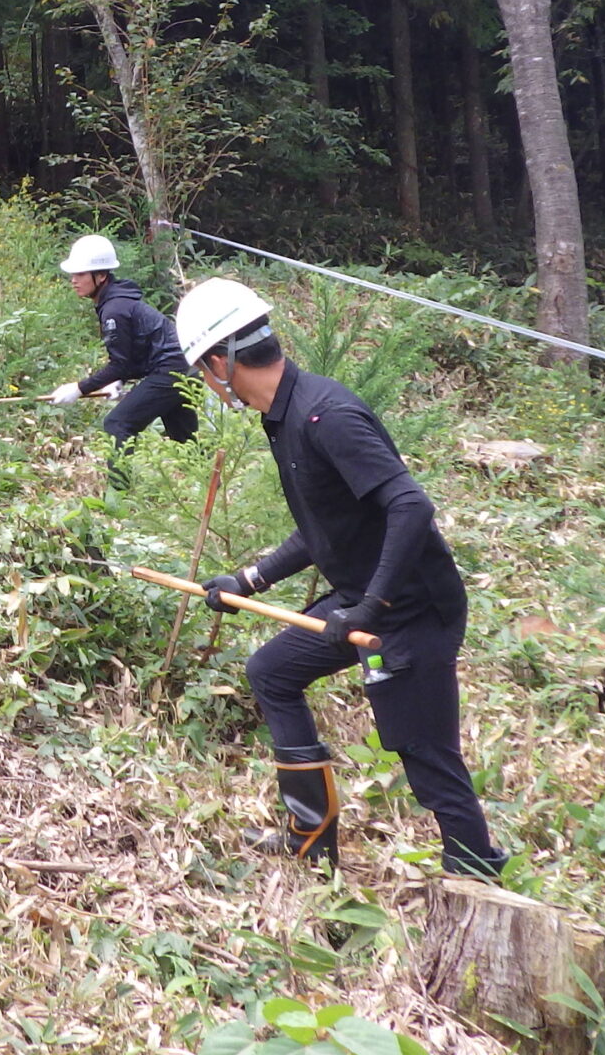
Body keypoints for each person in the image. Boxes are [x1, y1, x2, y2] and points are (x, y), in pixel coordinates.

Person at [178, 276, 507, 880]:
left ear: (221, 362)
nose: (206, 381)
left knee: (423, 749)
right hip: (364, 599)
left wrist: (371, 607)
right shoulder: (282, 416)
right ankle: (312, 838)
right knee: (272, 671)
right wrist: (250, 579)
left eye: (202, 369)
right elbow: (324, 527)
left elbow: (411, 506)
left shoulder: (326, 414)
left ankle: (475, 869)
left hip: (410, 609)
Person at [46, 235, 197, 457]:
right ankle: (209, 488)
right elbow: (133, 354)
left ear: (101, 276)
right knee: (185, 441)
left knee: (117, 424)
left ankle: (120, 492)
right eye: (73, 274)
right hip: (184, 367)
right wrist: (119, 380)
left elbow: (120, 364)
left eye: (80, 274)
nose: (73, 280)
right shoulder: (117, 302)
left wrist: (79, 388)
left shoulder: (114, 309)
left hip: (171, 370)